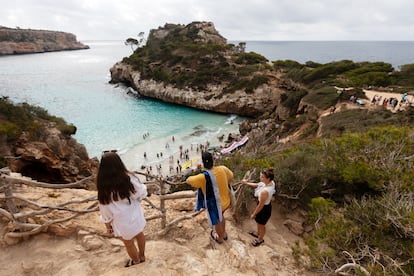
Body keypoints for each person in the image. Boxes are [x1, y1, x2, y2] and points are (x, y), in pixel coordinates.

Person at [97, 151, 148, 267]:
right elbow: (141, 192)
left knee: (128, 243)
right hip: (134, 214)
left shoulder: (103, 187)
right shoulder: (128, 178)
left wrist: (108, 226)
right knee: (140, 235)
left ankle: (135, 261)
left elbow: (105, 210)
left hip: (121, 221)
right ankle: (142, 256)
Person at [186, 151, 234, 244]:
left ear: (203, 163)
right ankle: (223, 234)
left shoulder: (203, 177)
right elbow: (231, 176)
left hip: (216, 205)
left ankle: (220, 238)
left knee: (217, 220)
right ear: (213, 160)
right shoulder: (223, 169)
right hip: (226, 202)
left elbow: (189, 180)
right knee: (221, 216)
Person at [242, 168, 276, 246]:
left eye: (262, 177)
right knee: (259, 222)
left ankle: (260, 239)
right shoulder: (271, 182)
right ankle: (258, 233)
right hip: (265, 206)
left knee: (261, 225)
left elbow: (261, 205)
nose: (260, 178)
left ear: (268, 179)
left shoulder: (265, 192)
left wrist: (254, 214)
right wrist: (246, 183)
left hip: (264, 209)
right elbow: (258, 184)